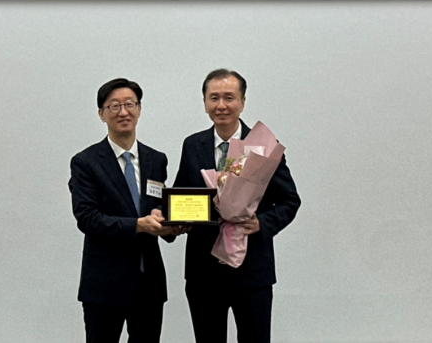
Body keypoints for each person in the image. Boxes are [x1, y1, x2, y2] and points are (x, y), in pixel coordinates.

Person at [173, 69, 301, 343]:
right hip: (203, 271)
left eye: (229, 97)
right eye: (214, 98)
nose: (221, 105)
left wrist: (261, 223)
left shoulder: (264, 146)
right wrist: (175, 221)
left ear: (242, 102)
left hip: (252, 270)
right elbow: (183, 195)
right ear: (204, 102)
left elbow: (290, 200)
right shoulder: (192, 145)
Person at [69, 78, 177, 343]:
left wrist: (171, 225)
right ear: (101, 114)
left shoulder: (156, 159)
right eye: (114, 106)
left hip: (149, 283)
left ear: (139, 109)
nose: (123, 112)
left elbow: (158, 205)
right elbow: (88, 219)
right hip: (104, 284)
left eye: (130, 104)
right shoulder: (86, 162)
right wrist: (138, 225)